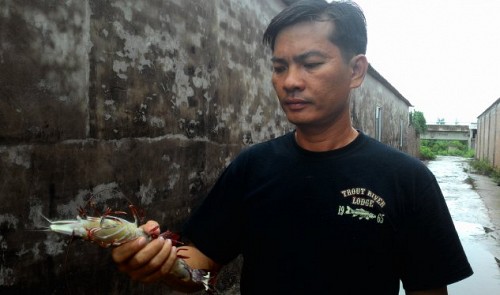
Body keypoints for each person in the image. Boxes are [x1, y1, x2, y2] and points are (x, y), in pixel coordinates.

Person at [112, 0, 473, 294]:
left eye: (311, 64)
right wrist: (156, 260)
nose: (290, 82)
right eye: (279, 67)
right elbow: (199, 267)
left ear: (356, 71)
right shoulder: (252, 167)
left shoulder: (407, 180)